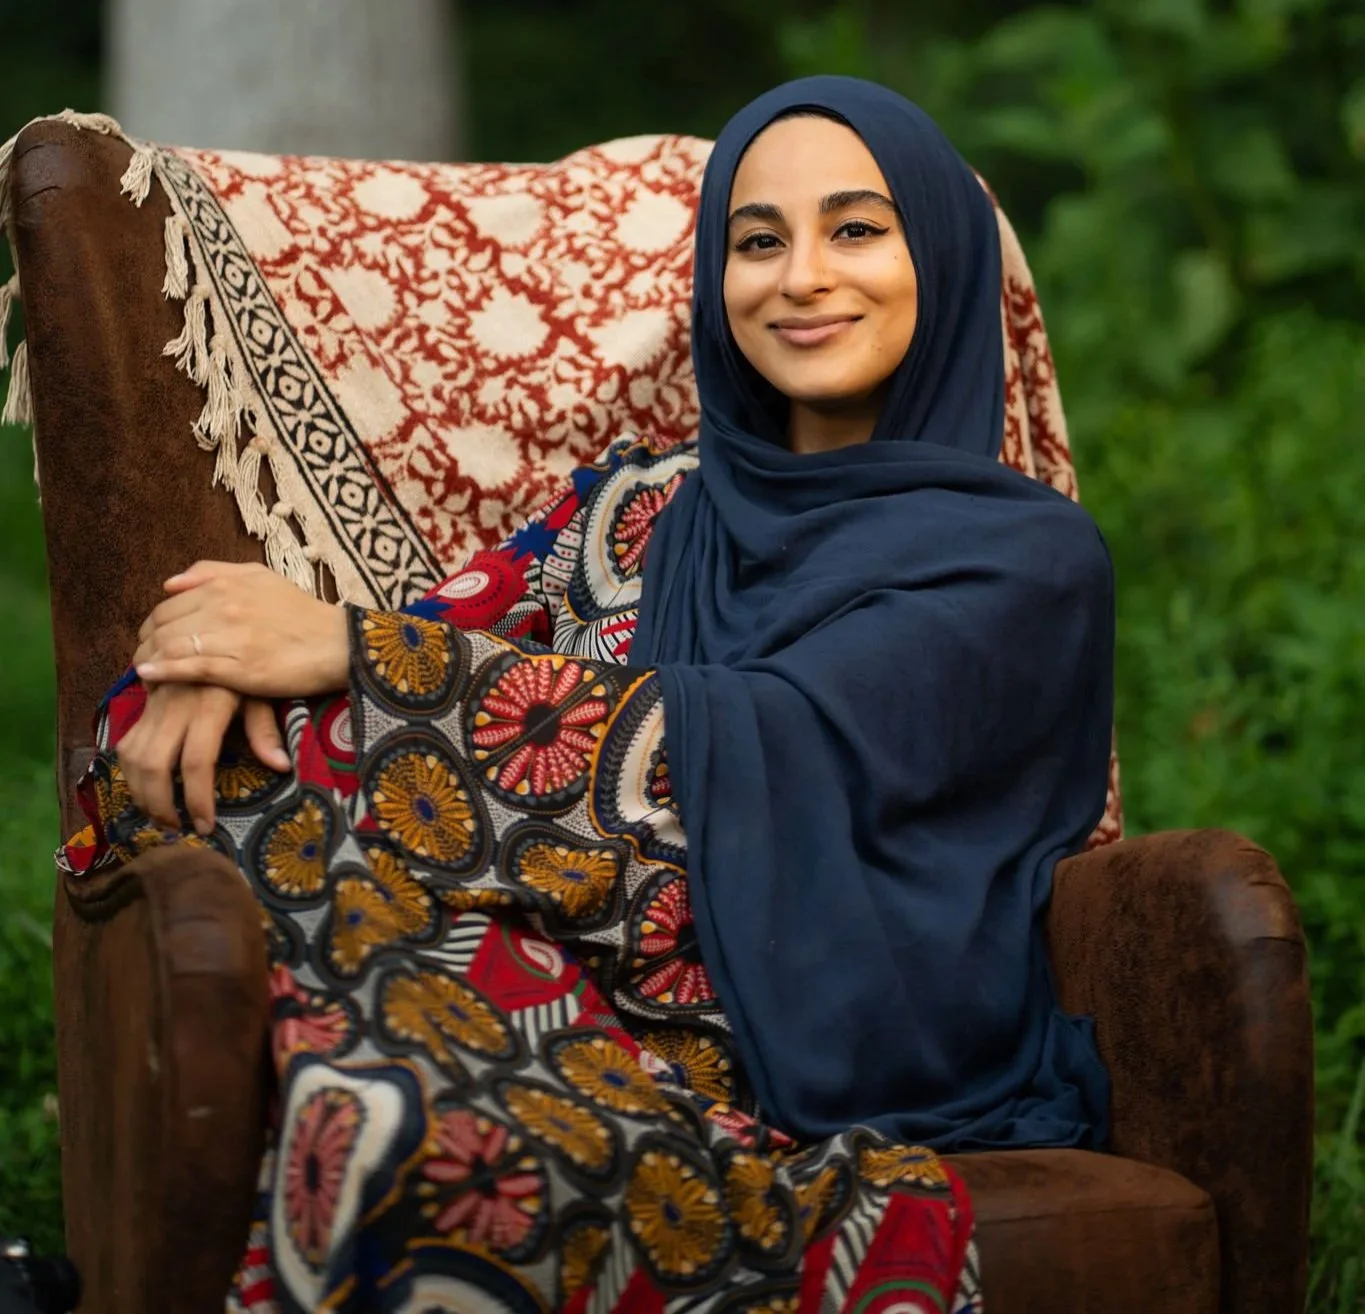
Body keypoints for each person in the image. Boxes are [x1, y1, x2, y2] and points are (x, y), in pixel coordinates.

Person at [62, 76, 1115, 1313]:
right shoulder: (641, 509)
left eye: (856, 229)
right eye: (758, 241)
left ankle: (548, 1128)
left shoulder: (1026, 559)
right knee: (243, 798)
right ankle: (485, 1104)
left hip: (798, 1020)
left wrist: (338, 652)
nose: (802, 277)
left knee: (347, 788)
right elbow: (421, 647)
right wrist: (203, 668)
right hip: (519, 978)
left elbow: (745, 752)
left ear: (933, 252)